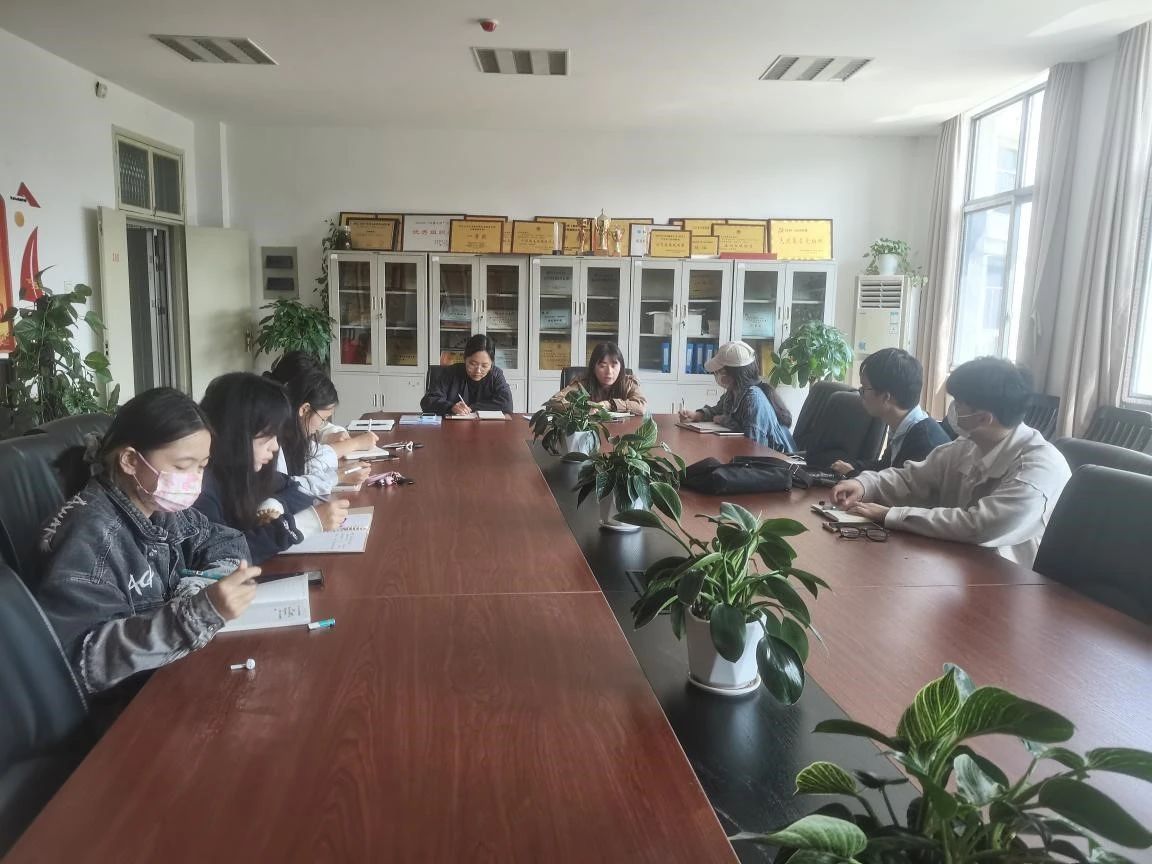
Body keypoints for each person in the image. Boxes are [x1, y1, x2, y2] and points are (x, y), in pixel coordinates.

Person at [36, 387, 261, 696]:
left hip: (167, 674)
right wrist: (198, 613)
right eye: (182, 466)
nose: (194, 480)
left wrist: (197, 588)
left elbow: (226, 542)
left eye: (201, 466)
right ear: (130, 460)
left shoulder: (157, 506)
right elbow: (85, 661)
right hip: (127, 706)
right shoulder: (90, 536)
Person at [830, 357, 1071, 567]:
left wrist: (891, 515)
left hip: (1012, 583)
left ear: (983, 418)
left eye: (958, 403)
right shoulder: (967, 445)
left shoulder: (1039, 469)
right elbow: (911, 478)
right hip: (959, 564)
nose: (951, 409)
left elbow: (979, 525)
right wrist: (864, 484)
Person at [195, 372, 349, 563]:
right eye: (268, 436)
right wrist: (303, 524)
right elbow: (219, 555)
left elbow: (298, 490)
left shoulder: (250, 472)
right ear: (236, 433)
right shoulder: (200, 488)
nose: (275, 446)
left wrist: (272, 504)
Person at [829, 348, 950, 477]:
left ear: (886, 397)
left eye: (864, 388)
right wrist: (852, 467)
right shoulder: (904, 426)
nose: (860, 394)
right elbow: (886, 467)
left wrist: (851, 473)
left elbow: (899, 487)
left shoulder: (925, 444)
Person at [265, 361, 371, 495]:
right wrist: (339, 476)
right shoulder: (272, 442)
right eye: (323, 419)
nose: (322, 426)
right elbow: (285, 488)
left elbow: (316, 455)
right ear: (304, 409)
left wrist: (343, 471)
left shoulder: (296, 435)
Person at [678, 340, 796, 452]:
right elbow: (716, 411)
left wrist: (724, 420)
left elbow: (752, 445)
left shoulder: (753, 399)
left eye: (718, 371)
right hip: (751, 457)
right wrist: (696, 415)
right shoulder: (733, 392)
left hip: (776, 462)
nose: (716, 375)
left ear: (731, 374)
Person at [266, 351, 378, 458]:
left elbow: (319, 427)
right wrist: (355, 444)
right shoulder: (272, 423)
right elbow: (308, 460)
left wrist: (330, 436)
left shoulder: (295, 414)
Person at [420, 334, 515, 415]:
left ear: (492, 364)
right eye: (473, 364)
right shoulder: (451, 372)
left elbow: (507, 405)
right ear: (465, 358)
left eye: (484, 366)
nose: (478, 371)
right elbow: (427, 401)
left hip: (485, 428)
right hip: (453, 428)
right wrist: (450, 407)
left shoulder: (496, 375)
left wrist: (472, 407)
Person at [547, 342, 647, 415]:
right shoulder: (583, 383)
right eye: (603, 366)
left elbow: (641, 406)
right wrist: (585, 408)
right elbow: (555, 401)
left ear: (621, 367)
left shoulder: (628, 383)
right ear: (593, 367)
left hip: (622, 431)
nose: (609, 372)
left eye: (614, 366)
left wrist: (610, 404)